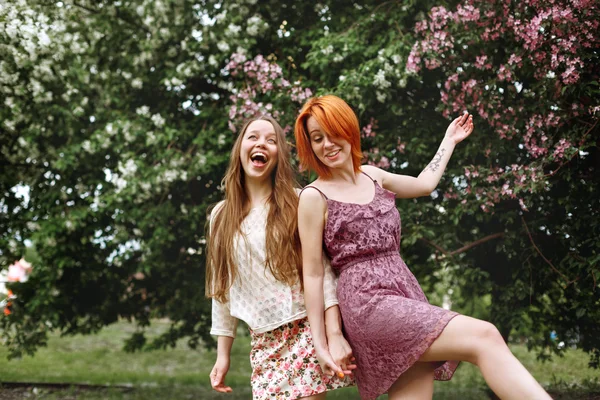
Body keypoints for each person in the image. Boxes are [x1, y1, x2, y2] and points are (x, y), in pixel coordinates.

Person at [294, 95, 552, 400]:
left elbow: (424, 183)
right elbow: (312, 274)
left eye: (332, 132)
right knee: (485, 335)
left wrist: (449, 140)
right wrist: (323, 343)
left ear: (348, 129)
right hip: (368, 304)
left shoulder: (373, 176)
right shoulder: (313, 197)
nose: (327, 144)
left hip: (405, 292)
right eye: (317, 138)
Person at [206, 115, 355, 400]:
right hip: (263, 341)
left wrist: (333, 333)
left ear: (278, 156)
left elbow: (322, 272)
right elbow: (221, 289)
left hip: (305, 330)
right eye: (253, 137)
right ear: (240, 148)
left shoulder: (300, 201)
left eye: (271, 140)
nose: (261, 143)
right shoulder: (220, 217)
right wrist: (222, 355)